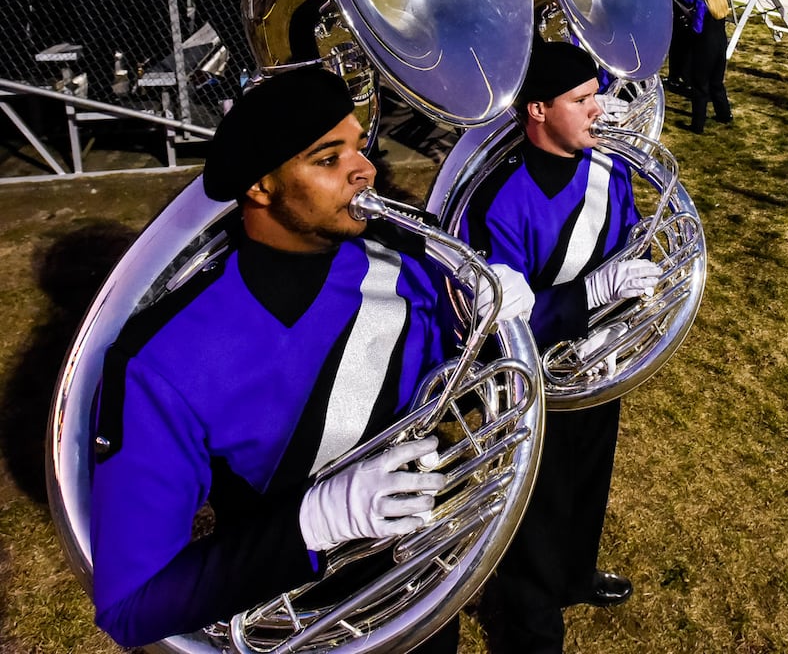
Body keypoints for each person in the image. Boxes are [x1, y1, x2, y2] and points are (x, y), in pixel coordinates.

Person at [87, 66, 533, 651]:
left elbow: (460, 380)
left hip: (424, 581)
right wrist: (312, 521)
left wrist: (496, 323)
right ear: (260, 186)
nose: (366, 169)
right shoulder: (161, 358)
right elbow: (129, 606)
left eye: (359, 145)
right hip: (307, 620)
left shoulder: (411, 254)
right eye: (328, 159)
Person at [458, 41, 660, 654]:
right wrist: (591, 293)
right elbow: (505, 324)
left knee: (588, 477)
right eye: (582, 100)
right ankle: (528, 619)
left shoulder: (611, 170)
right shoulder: (498, 198)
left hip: (596, 364)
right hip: (531, 380)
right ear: (538, 110)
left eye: (596, 96)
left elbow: (627, 247)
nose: (600, 111)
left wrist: (637, 284)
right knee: (535, 502)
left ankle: (573, 573)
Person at [678, 0, 732, 132]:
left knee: (700, 86)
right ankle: (725, 114)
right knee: (717, 82)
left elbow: (697, 29)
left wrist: (690, 23)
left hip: (704, 48)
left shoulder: (702, 2)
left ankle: (697, 124)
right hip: (720, 43)